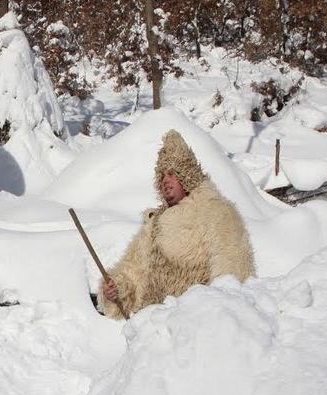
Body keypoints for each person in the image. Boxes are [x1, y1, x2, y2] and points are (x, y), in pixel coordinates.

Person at [98, 129, 255, 319]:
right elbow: (132, 272)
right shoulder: (154, 223)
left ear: (187, 175)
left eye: (172, 173)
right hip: (152, 330)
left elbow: (233, 279)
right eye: (162, 175)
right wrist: (115, 290)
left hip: (193, 327)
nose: (165, 180)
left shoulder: (217, 213)